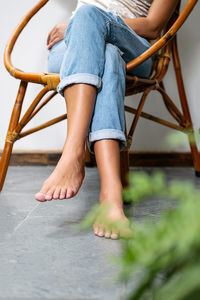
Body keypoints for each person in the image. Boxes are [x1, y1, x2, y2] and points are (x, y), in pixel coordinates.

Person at [35, 0, 179, 239]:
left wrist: (91, 21)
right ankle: (111, 197)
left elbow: (153, 27)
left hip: (135, 46)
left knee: (89, 15)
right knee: (109, 55)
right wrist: (79, 27)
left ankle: (73, 153)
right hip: (74, 45)